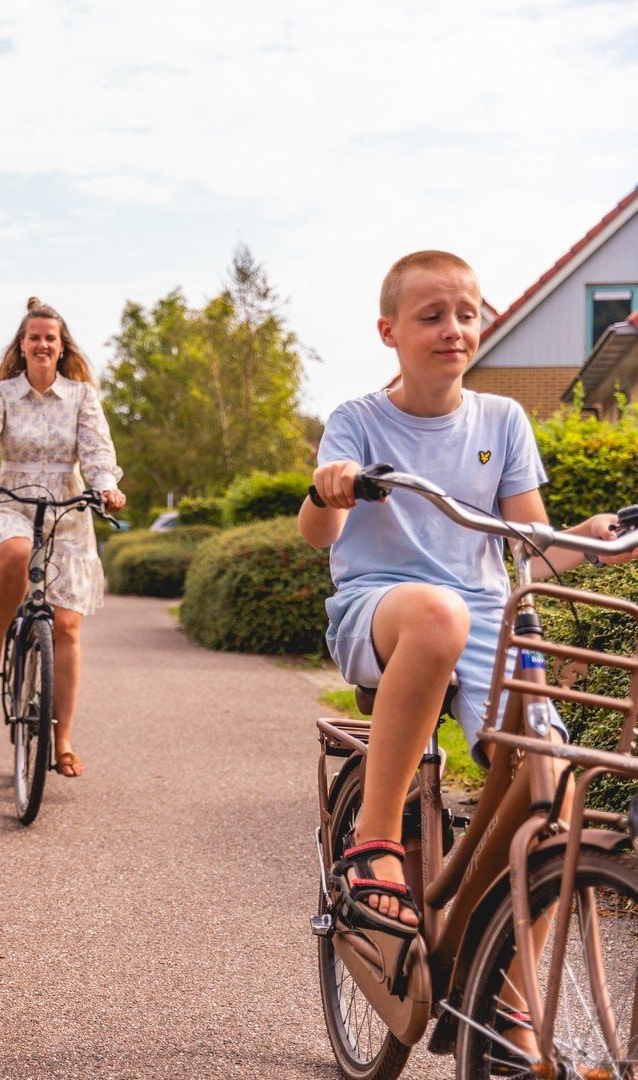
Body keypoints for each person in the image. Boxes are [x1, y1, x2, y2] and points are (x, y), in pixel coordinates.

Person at [298, 251, 631, 1007]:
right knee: (437, 613)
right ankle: (376, 839)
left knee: (551, 790)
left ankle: (507, 1013)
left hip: (485, 615)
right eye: (431, 316)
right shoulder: (357, 421)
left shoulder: (502, 420)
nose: (454, 328)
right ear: (389, 331)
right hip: (380, 605)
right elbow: (320, 535)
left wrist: (589, 538)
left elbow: (530, 550)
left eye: (467, 314)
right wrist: (328, 490)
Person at [0, 298, 126, 779]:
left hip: (67, 509)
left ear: (62, 345)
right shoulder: (2, 393)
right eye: (35, 338)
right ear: (22, 345)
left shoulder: (82, 396)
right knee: (15, 551)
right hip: (9, 499)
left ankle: (62, 739)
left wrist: (106, 486)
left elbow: (97, 451)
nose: (43, 344)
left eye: (51, 337)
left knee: (66, 626)